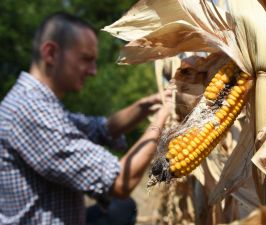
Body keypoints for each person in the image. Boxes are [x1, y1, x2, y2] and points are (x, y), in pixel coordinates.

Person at [0, 12, 171, 225]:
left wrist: (147, 105)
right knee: (121, 204)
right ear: (51, 53)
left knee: (122, 209)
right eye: (86, 60)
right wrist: (163, 116)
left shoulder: (37, 102)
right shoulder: (30, 112)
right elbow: (119, 182)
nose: (93, 71)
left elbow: (103, 129)